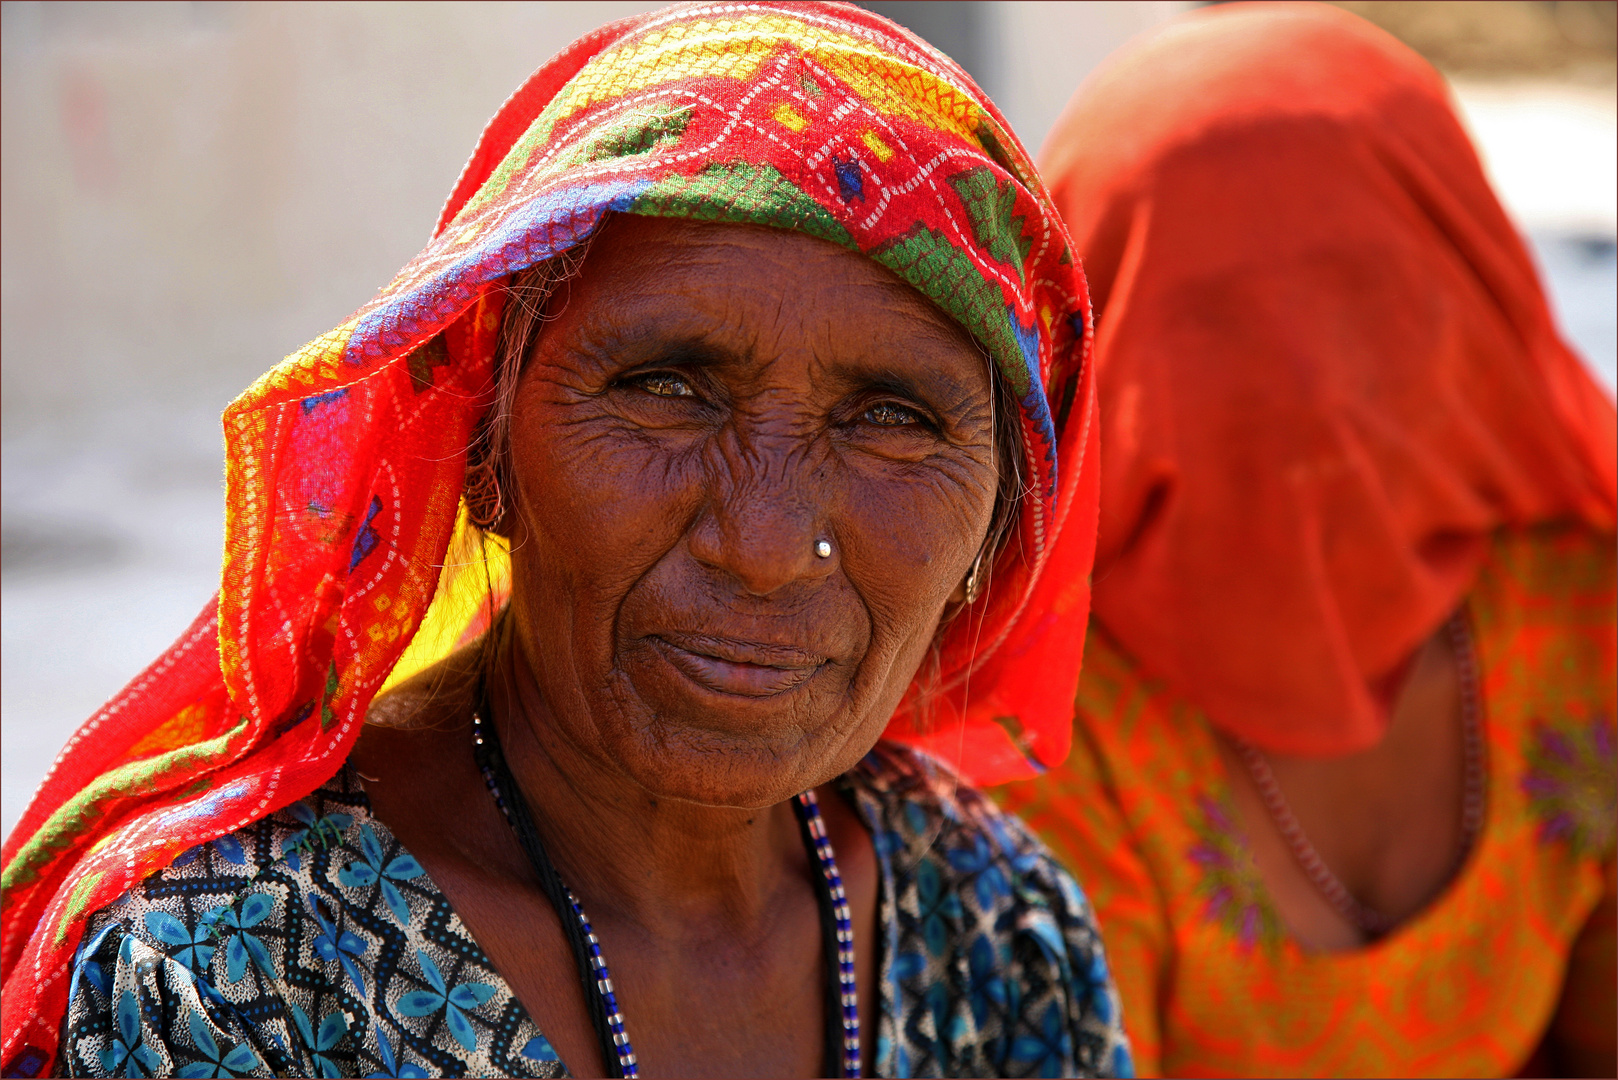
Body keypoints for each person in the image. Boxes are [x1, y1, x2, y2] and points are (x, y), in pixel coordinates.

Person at [0, 4, 1132, 1078]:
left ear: (1002, 518)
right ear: (483, 448)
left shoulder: (996, 933)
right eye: (668, 388)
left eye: (892, 418)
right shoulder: (237, 977)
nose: (768, 544)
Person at [994, 4, 1617, 1077]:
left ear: (1468, 302)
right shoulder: (1048, 717)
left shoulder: (1579, 607)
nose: (1304, 397)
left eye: (1353, 311)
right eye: (1218, 337)